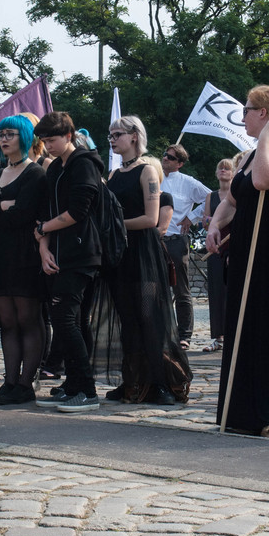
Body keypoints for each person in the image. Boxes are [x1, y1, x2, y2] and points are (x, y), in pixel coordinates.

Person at [206, 85, 269, 439]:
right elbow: (234, 197)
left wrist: (267, 139)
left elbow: (266, 180)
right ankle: (244, 411)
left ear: (264, 113)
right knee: (244, 328)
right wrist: (217, 224)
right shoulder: (250, 155)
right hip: (246, 249)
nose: (243, 117)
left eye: (248, 110)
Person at [97, 115, 192, 404]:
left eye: (117, 134)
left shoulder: (147, 172)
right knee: (127, 319)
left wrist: (115, 225)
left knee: (150, 318)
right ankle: (132, 382)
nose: (112, 139)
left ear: (134, 137)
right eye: (110, 134)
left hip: (143, 253)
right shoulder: (112, 175)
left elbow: (151, 219)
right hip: (120, 253)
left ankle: (160, 383)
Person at [33, 111, 103, 413]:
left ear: (68, 136)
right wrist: (43, 247)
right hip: (59, 252)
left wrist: (43, 231)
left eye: (53, 140)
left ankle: (87, 390)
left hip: (81, 253)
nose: (48, 146)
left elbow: (79, 211)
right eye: (45, 141)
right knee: (71, 321)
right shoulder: (55, 169)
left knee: (65, 320)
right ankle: (74, 383)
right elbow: (45, 212)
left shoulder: (83, 164)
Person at [0, 116, 47, 405]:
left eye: (11, 134)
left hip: (24, 255)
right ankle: (9, 381)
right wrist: (3, 207)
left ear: (25, 137)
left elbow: (25, 214)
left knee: (27, 319)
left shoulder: (35, 174)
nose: (4, 139)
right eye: (2, 134)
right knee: (7, 321)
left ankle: (25, 383)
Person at [160, 144, 210, 349]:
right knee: (155, 289)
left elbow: (210, 197)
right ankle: (161, 331)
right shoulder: (152, 174)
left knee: (181, 289)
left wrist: (192, 216)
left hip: (176, 239)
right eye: (164, 155)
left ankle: (184, 335)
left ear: (180, 163)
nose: (165, 159)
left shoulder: (188, 182)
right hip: (154, 239)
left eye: (171, 158)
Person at [202, 158, 235, 353]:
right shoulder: (211, 196)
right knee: (215, 292)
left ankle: (232, 335)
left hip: (232, 247)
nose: (223, 170)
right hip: (215, 248)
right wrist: (213, 222)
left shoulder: (236, 195)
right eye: (220, 167)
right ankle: (217, 337)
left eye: (227, 168)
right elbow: (206, 221)